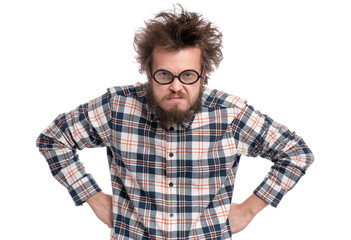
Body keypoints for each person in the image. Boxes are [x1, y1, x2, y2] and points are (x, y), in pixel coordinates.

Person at [36, 5, 314, 240]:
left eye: (188, 75)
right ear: (149, 72)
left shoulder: (230, 114)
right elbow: (53, 139)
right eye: (164, 75)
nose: (176, 86)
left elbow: (296, 153)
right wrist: (93, 198)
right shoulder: (116, 108)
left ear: (204, 74)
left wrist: (250, 209)